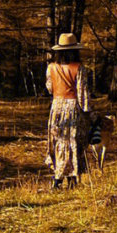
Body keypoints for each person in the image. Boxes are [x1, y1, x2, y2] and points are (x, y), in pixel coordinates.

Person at [45, 31, 93, 186]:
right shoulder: (79, 68)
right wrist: (88, 111)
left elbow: (50, 88)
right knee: (73, 142)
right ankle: (70, 177)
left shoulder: (51, 67)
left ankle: (58, 177)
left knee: (58, 141)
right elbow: (82, 92)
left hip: (56, 107)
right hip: (73, 107)